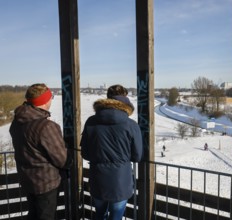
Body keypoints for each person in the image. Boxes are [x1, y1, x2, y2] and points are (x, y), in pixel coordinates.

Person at [80, 84, 143, 220]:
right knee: (116, 216)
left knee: (100, 214)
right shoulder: (131, 125)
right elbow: (137, 156)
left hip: (98, 178)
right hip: (120, 180)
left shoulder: (91, 121)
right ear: (125, 99)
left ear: (107, 98)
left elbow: (85, 153)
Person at [9, 83, 71, 220]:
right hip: (45, 183)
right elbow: (62, 159)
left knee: (33, 214)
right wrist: (69, 158)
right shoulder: (46, 126)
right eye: (50, 97)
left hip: (27, 179)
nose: (51, 100)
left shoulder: (17, 122)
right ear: (44, 101)